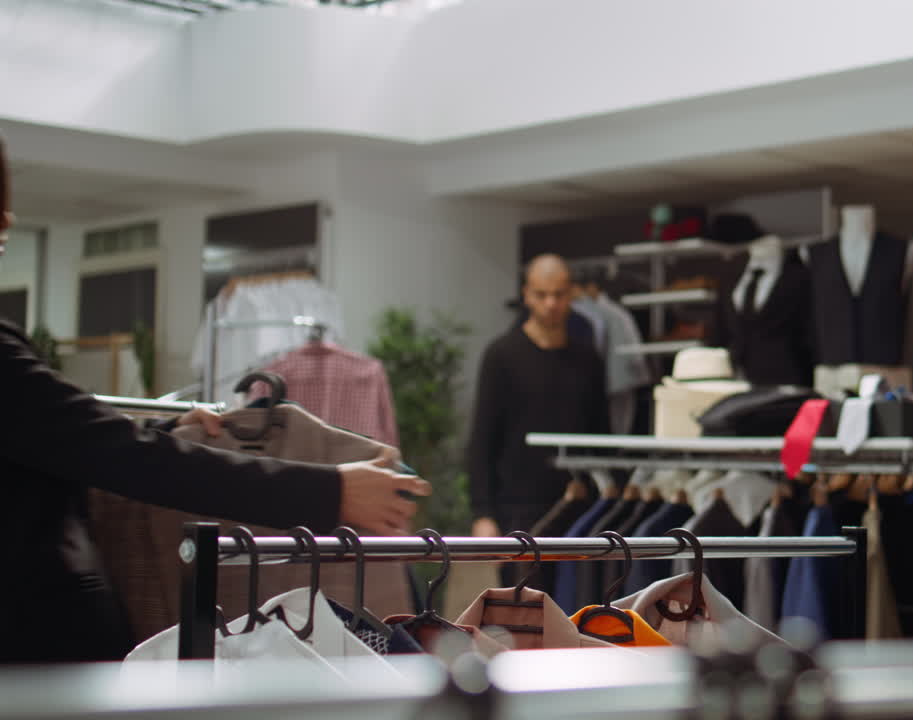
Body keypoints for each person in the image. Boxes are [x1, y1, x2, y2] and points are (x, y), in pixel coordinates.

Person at [0, 137, 432, 664]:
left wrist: (162, 429)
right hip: (35, 646)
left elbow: (60, 437)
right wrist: (330, 490)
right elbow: (116, 455)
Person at [467, 254, 609, 541]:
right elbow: (483, 437)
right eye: (541, 295)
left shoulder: (587, 357)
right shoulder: (502, 355)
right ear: (526, 295)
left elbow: (601, 431)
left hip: (579, 502)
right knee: (521, 587)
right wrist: (483, 513)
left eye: (558, 294)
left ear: (571, 295)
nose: (551, 304)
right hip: (518, 506)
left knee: (581, 586)